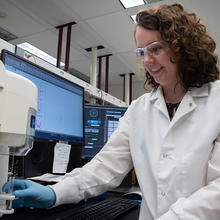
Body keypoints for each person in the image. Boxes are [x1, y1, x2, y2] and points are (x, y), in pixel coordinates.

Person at [3, 2, 220, 219]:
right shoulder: (140, 110)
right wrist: (54, 192)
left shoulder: (216, 101)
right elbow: (105, 167)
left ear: (183, 46)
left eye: (155, 49)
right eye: (141, 52)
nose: (146, 60)